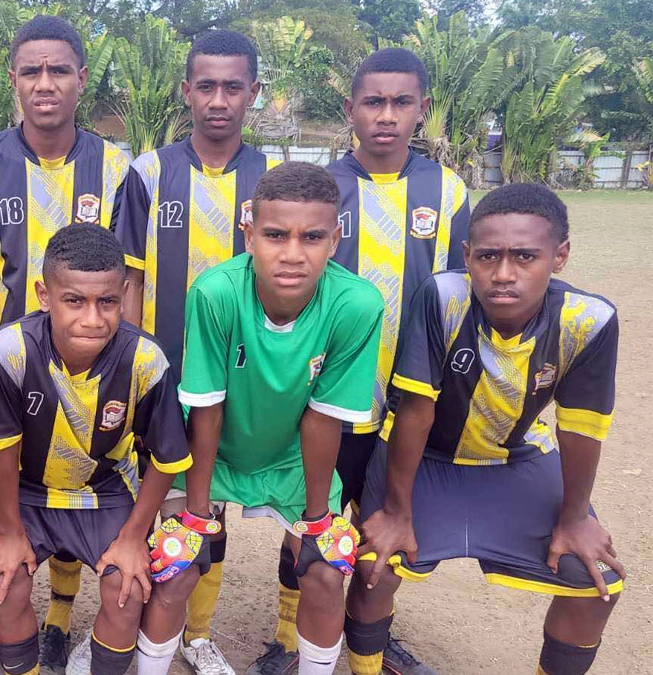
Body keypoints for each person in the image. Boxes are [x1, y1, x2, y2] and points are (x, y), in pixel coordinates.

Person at [346, 183, 625, 675]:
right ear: (467, 255)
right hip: (425, 459)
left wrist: (575, 517)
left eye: (525, 257)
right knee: (375, 566)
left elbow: (581, 427)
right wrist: (395, 512)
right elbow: (415, 410)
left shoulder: (588, 320)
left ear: (559, 256)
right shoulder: (443, 296)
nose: (503, 273)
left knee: (594, 582)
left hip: (514, 458)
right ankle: (367, 663)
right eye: (489, 256)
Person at [256, 47, 469, 675]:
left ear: (423, 109)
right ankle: (286, 638)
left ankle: (371, 637)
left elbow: (460, 293)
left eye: (402, 103)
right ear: (350, 109)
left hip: (411, 397)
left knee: (385, 523)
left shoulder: (447, 190)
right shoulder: (323, 191)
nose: (387, 115)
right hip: (326, 393)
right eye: (373, 102)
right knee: (309, 519)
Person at [0, 17, 130, 668]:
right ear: (13, 79)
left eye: (58, 70)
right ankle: (2, 617)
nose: (44, 83)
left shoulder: (117, 168)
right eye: (31, 71)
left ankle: (59, 619)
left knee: (78, 472)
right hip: (11, 374)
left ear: (81, 78)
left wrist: (117, 359)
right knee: (11, 488)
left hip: (92, 364)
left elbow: (125, 280)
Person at [112, 29, 277, 675]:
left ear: (252, 93)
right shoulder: (149, 173)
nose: (218, 99)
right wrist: (133, 364)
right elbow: (130, 277)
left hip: (239, 380)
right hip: (163, 375)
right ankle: (129, 624)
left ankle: (196, 634)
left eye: (232, 87)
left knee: (212, 506)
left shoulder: (271, 178)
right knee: (149, 503)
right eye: (205, 86)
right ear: (186, 91)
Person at [177, 162, 383, 675]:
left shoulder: (357, 304)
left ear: (334, 240)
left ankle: (307, 658)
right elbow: (206, 408)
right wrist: (197, 512)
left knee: (326, 571)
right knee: (176, 560)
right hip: (213, 451)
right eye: (275, 235)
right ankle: (192, 640)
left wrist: (316, 522)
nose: (293, 253)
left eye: (311, 237)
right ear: (249, 234)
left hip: (291, 457)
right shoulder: (215, 293)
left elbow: (322, 417)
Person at [0, 223, 198, 675]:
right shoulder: (9, 350)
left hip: (105, 492)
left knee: (127, 588)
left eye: (107, 302)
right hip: (27, 493)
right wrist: (10, 533)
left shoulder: (145, 359)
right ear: (44, 295)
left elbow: (166, 458)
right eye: (74, 301)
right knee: (5, 583)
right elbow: (0, 450)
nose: (93, 319)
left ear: (124, 295)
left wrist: (134, 538)